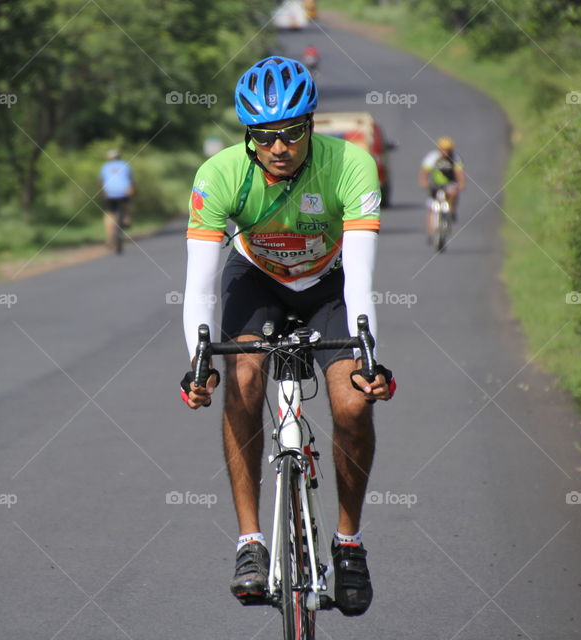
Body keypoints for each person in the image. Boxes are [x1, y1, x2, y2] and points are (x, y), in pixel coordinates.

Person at [179, 56, 394, 617]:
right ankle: (250, 542)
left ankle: (348, 542)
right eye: (266, 136)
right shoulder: (219, 175)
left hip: (329, 285)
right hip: (256, 280)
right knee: (244, 376)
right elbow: (199, 285)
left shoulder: (352, 164)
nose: (280, 147)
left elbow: (364, 280)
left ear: (311, 126)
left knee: (351, 404)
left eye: (293, 132)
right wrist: (197, 361)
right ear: (249, 135)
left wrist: (370, 355)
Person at [419, 136, 465, 232]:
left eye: (448, 150)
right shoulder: (432, 157)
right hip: (435, 183)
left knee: (453, 193)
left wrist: (461, 183)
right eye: (443, 150)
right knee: (431, 207)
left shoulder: (455, 158)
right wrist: (423, 182)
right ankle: (431, 231)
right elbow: (424, 171)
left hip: (450, 183)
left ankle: (452, 211)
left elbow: (459, 173)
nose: (445, 152)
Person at [99, 149, 134, 251]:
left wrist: (104, 193)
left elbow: (102, 181)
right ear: (119, 156)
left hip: (110, 194)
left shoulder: (105, 167)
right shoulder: (125, 165)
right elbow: (130, 179)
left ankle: (109, 239)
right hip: (124, 192)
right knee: (128, 203)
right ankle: (126, 218)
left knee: (109, 214)